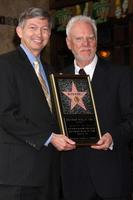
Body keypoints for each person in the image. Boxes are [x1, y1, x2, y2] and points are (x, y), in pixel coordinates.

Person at [0, 7, 75, 200]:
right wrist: (49, 138)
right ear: (19, 31)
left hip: (49, 171)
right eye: (32, 28)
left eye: (44, 29)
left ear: (49, 34)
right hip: (18, 173)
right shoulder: (5, 65)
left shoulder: (52, 72)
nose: (39, 34)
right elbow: (5, 114)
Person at [60, 15, 133, 200]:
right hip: (73, 180)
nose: (86, 43)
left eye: (90, 37)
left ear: (96, 40)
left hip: (112, 179)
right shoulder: (59, 78)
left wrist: (113, 137)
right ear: (69, 43)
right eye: (79, 38)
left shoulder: (121, 75)